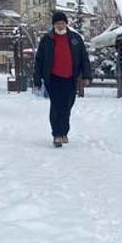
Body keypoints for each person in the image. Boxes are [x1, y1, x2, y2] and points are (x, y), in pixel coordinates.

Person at [33, 11, 93, 147]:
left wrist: (86, 75)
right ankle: (57, 134)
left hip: (70, 78)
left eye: (62, 23)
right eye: (57, 23)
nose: (60, 25)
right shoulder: (47, 39)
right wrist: (37, 79)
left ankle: (64, 132)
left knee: (67, 105)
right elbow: (39, 60)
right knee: (56, 105)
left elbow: (84, 58)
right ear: (54, 25)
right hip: (53, 78)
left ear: (66, 23)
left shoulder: (75, 39)